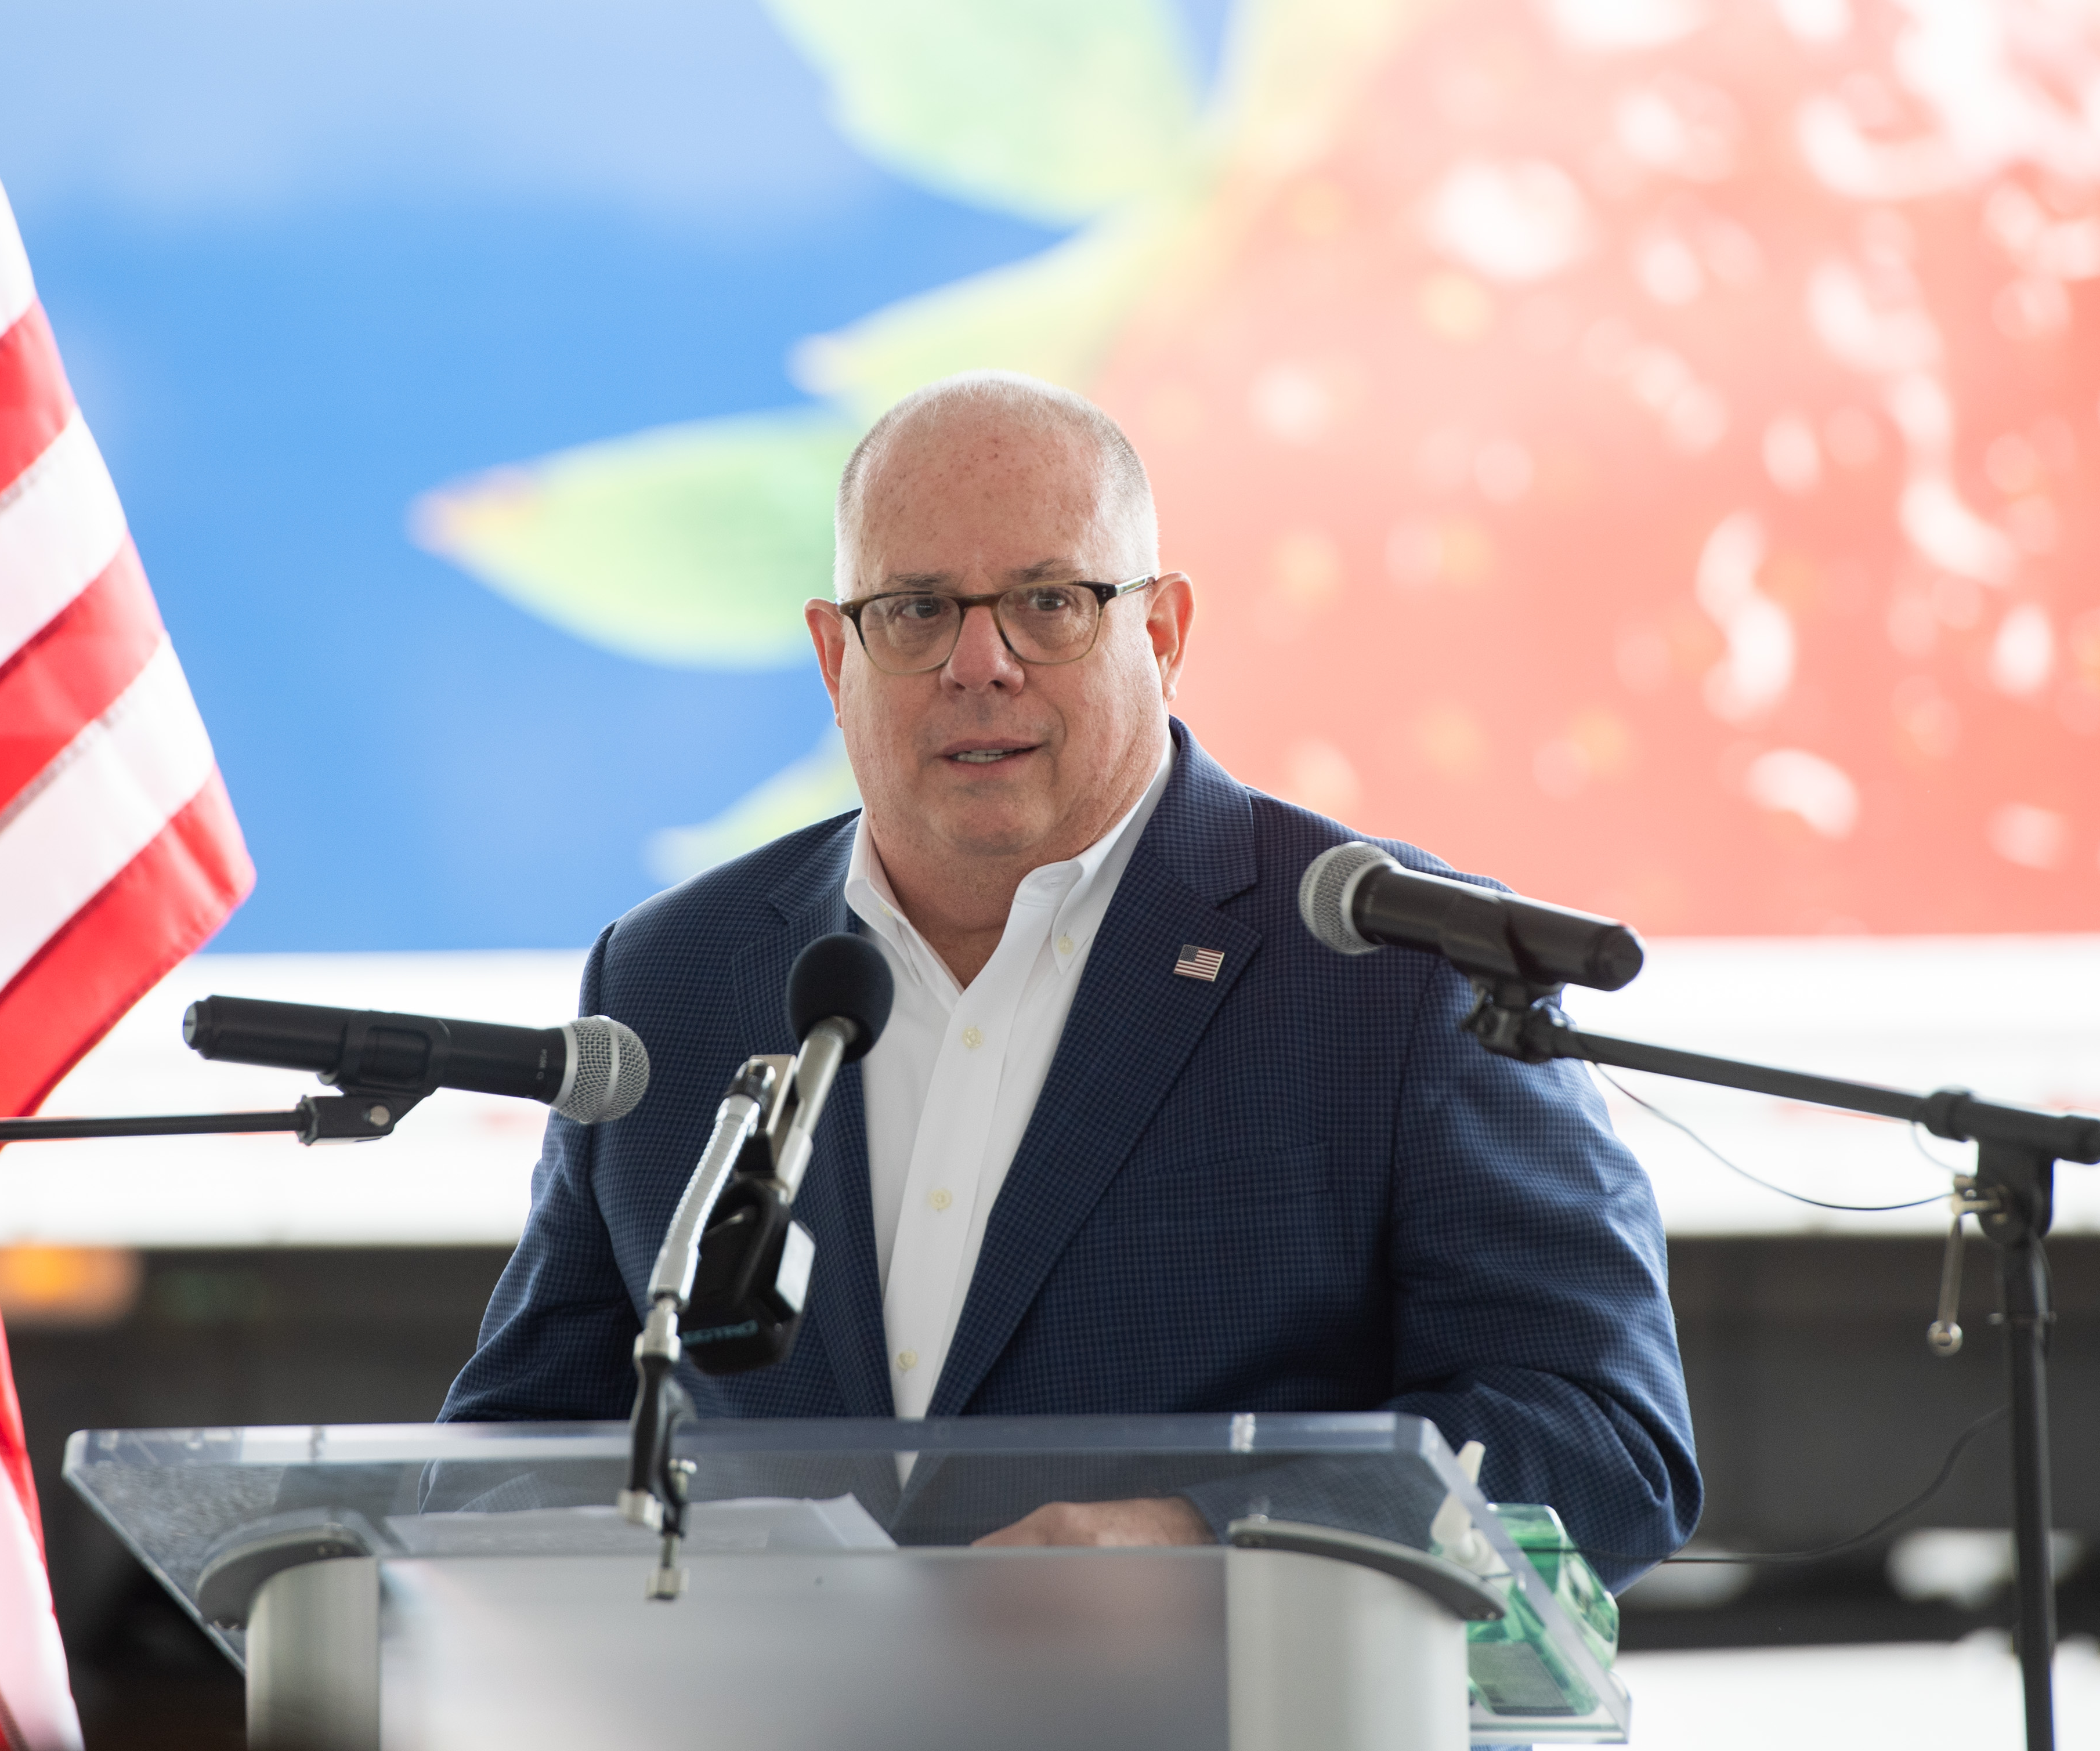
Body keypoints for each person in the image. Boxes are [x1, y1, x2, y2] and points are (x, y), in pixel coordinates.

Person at [441, 371, 1700, 1580]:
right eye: (918, 609)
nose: (979, 663)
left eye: (1050, 602)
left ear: (1161, 631)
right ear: (837, 659)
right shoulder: (670, 980)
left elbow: (1604, 1444)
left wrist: (1207, 1546)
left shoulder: (1389, 965)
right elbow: (509, 1466)